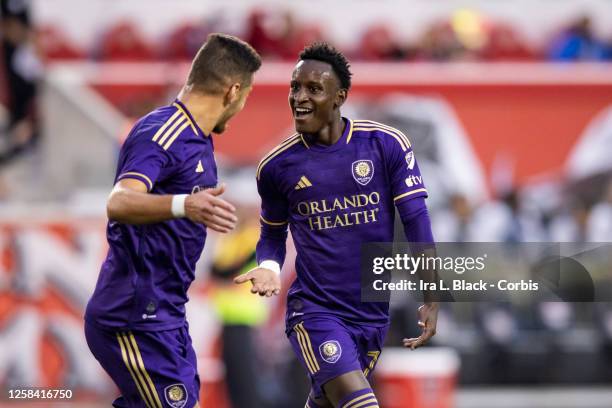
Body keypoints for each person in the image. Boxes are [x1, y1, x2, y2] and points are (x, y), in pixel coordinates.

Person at [234, 42, 438, 408]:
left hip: (372, 315)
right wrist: (267, 266)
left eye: (313, 89)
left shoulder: (385, 145)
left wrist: (431, 293)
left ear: (340, 96)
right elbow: (272, 233)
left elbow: (416, 221)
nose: (300, 97)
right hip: (315, 312)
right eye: (295, 87)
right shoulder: (277, 167)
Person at [84, 33, 261, 408]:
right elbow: (119, 201)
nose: (243, 106)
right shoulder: (161, 131)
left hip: (165, 314)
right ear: (232, 92)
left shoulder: (198, 140)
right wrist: (185, 206)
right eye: (246, 96)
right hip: (133, 314)